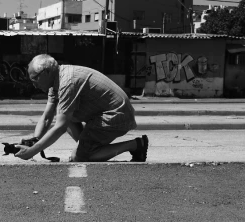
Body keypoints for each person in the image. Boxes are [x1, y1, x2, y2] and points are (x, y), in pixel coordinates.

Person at [15, 54, 148, 162]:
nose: (34, 85)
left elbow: (60, 127)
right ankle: (89, 147)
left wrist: (33, 151)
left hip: (116, 115)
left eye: (34, 79)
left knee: (79, 157)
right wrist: (33, 142)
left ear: (47, 72)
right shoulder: (55, 82)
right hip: (105, 114)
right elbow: (47, 118)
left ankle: (136, 145)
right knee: (64, 113)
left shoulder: (67, 82)